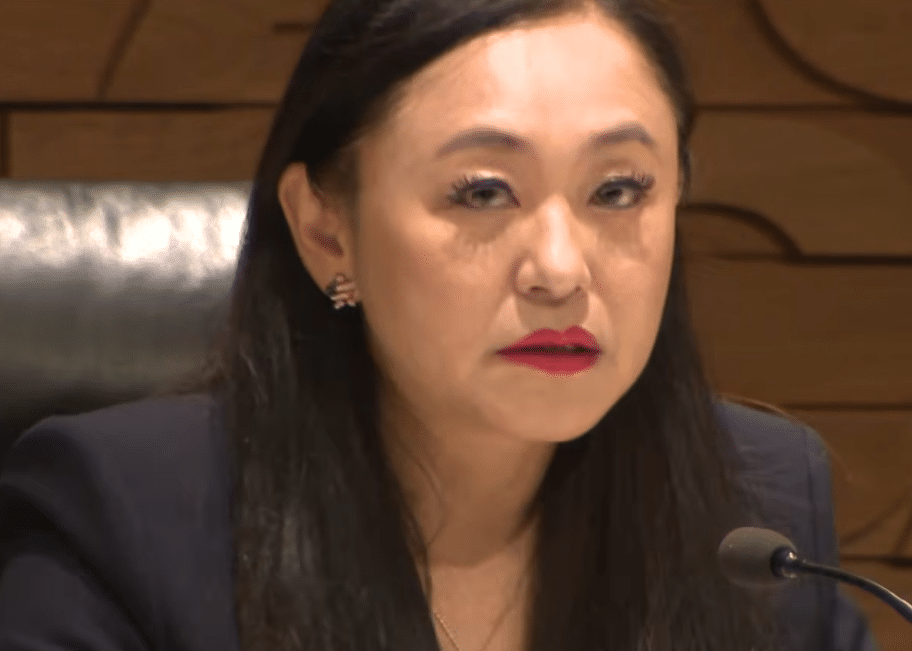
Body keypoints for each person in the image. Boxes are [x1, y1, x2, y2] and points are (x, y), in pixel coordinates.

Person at [0, 0, 878, 650]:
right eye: (483, 193)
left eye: (618, 190)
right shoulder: (125, 520)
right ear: (326, 230)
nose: (560, 268)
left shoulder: (758, 515)